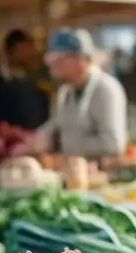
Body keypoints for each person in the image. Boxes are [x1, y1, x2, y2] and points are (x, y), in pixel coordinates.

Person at [17, 29, 127, 158]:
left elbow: (113, 144)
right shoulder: (67, 92)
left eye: (59, 60)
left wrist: (67, 145)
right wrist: (35, 138)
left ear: (79, 60)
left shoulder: (106, 90)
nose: (53, 66)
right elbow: (57, 123)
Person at [0, 29, 49, 131]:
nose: (27, 54)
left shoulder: (32, 79)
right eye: (22, 50)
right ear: (11, 51)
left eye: (28, 49)